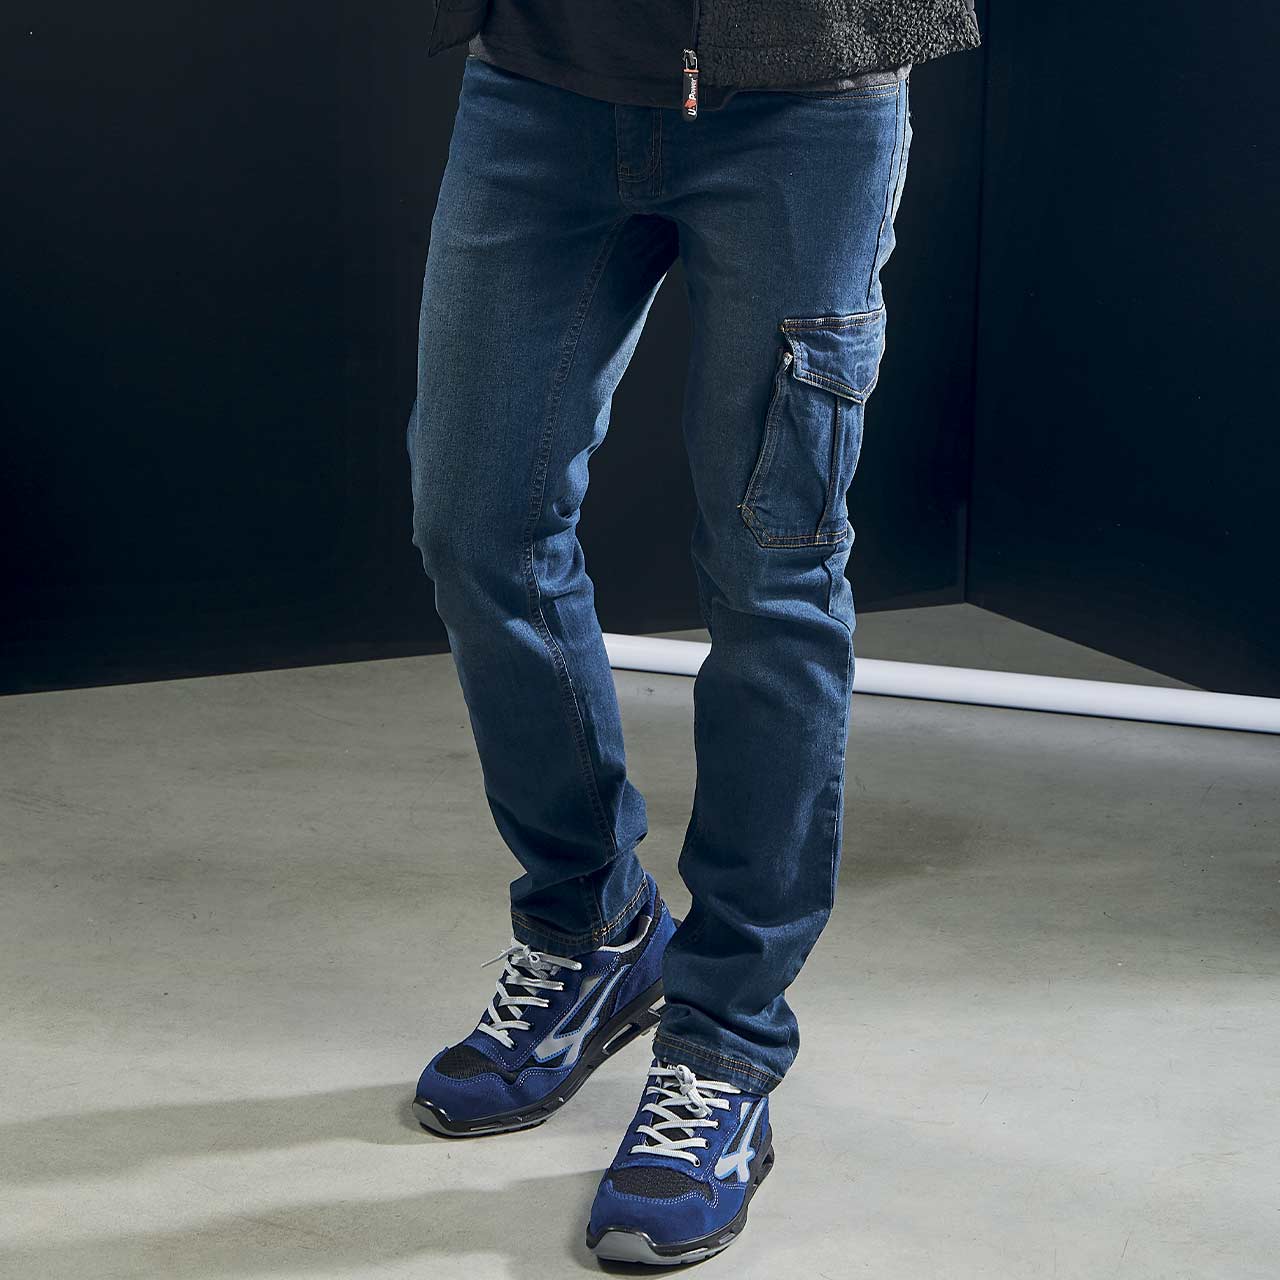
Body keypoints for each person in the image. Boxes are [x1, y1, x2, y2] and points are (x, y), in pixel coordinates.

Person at [405, 0, 982, 1264]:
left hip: (803, 107)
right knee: (475, 527)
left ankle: (724, 1040)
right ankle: (591, 928)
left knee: (772, 574)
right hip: (540, 81)